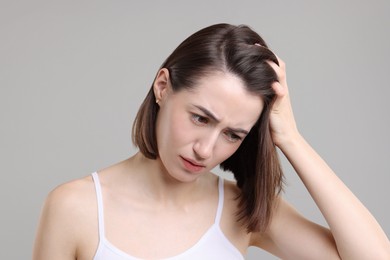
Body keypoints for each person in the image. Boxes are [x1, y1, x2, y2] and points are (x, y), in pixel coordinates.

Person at [33, 23, 390, 260]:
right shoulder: (75, 208)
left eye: (233, 134)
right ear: (162, 87)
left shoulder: (243, 211)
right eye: (200, 118)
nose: (205, 150)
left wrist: (290, 138)